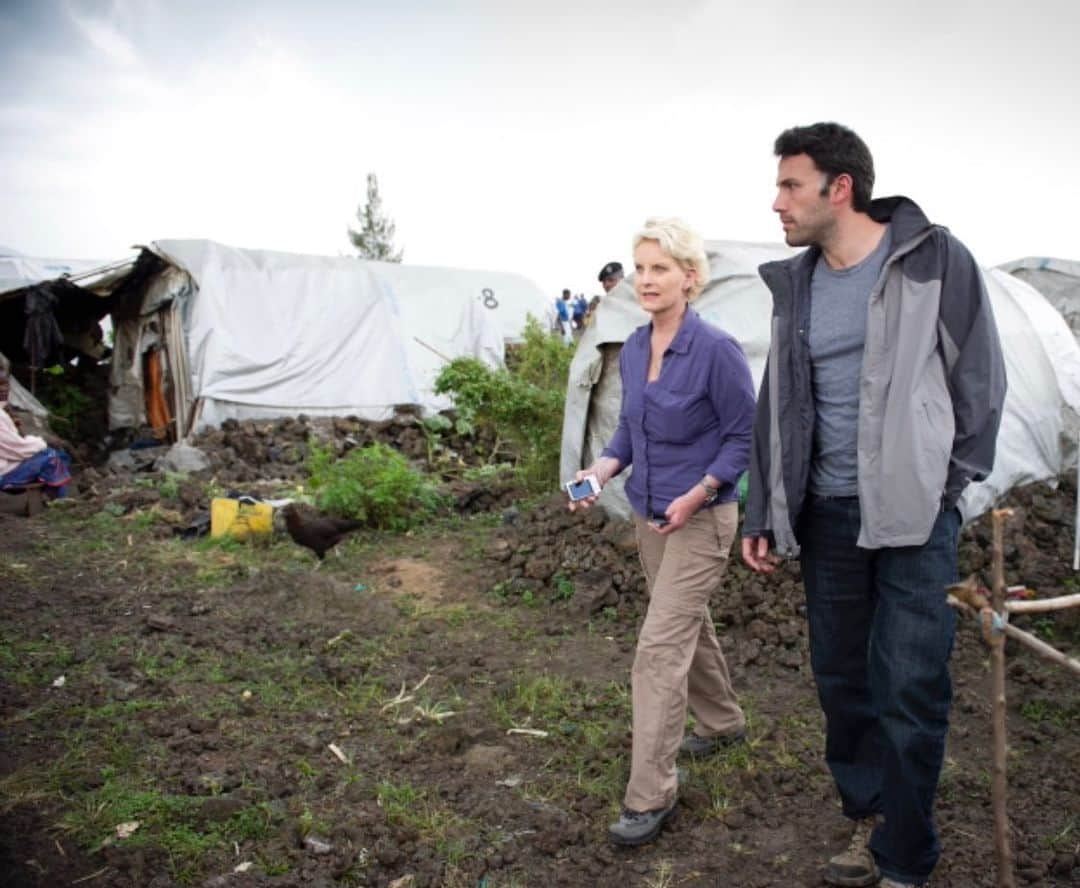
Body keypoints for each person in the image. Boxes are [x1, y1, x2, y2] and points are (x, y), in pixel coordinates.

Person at [742, 122, 1006, 888]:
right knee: (843, 681)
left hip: (915, 518)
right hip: (826, 514)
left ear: (841, 187)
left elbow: (978, 382)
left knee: (909, 682)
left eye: (791, 185)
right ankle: (870, 817)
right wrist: (765, 507)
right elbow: (779, 400)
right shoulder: (799, 284)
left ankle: (906, 855)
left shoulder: (931, 259)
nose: (777, 202)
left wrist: (945, 486)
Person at [571, 217, 756, 846]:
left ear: (690, 278)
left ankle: (651, 793)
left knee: (657, 652)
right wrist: (599, 471)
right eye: (641, 268)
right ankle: (724, 721)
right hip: (651, 514)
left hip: (701, 519)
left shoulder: (717, 351)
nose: (646, 280)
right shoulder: (634, 346)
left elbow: (742, 439)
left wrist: (699, 491)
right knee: (684, 622)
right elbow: (628, 432)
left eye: (660, 269)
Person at [0, 362, 72, 498]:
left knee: (59, 456)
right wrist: (39, 443)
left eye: (5, 384)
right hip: (3, 474)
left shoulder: (3, 411)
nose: (4, 389)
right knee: (51, 456)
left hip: (8, 464)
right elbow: (17, 449)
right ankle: (60, 501)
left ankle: (53, 497)